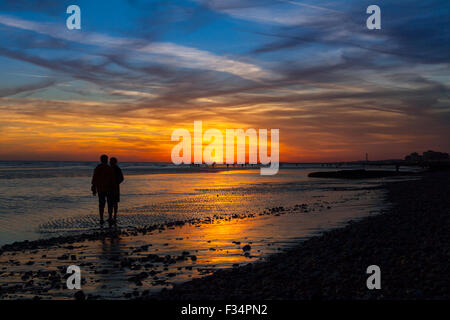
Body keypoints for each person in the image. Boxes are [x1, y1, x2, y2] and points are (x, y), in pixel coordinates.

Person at [91, 154, 116, 225]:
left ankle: (101, 218)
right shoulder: (109, 168)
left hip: (101, 189)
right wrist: (114, 188)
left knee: (101, 204)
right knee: (109, 204)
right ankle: (110, 217)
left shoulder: (98, 168)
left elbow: (94, 179)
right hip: (109, 189)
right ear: (107, 160)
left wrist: (93, 188)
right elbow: (113, 179)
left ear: (101, 160)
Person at [109, 157, 124, 223]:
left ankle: (114, 216)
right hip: (110, 188)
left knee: (114, 203)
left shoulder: (117, 169)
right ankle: (111, 216)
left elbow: (122, 178)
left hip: (114, 188)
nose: (110, 162)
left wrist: (116, 183)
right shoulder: (109, 168)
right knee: (111, 202)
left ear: (114, 162)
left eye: (111, 161)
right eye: (110, 161)